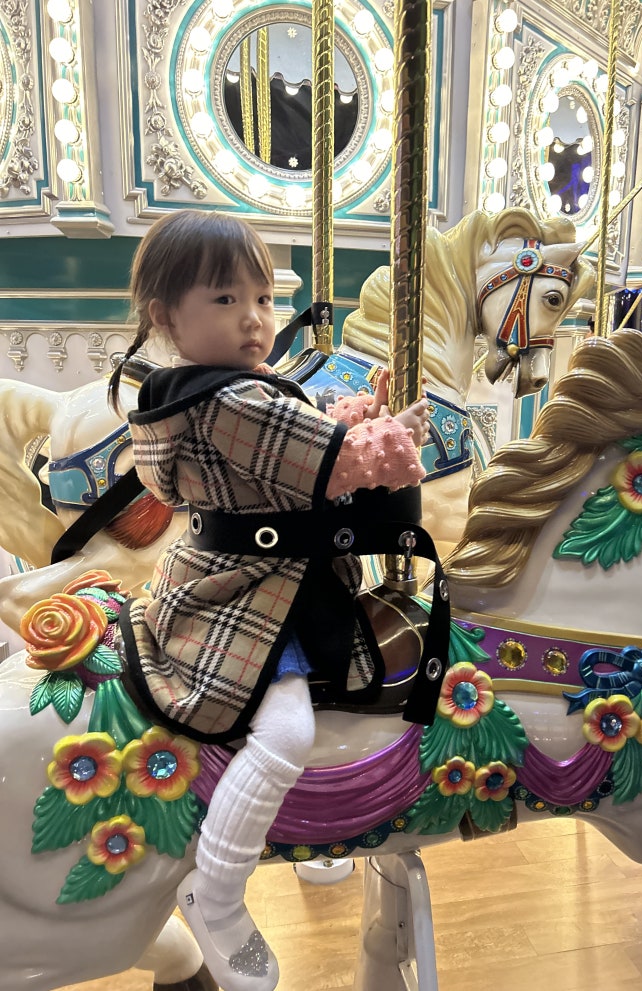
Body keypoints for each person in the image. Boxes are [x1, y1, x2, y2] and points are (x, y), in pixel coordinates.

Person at [108, 209, 431, 991]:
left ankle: (321, 833)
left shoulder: (212, 390)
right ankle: (217, 891)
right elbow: (331, 461)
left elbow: (298, 437)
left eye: (262, 297)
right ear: (166, 317)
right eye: (225, 299)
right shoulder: (227, 399)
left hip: (243, 576)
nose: (253, 317)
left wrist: (358, 417)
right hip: (249, 595)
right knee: (287, 730)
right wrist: (391, 436)